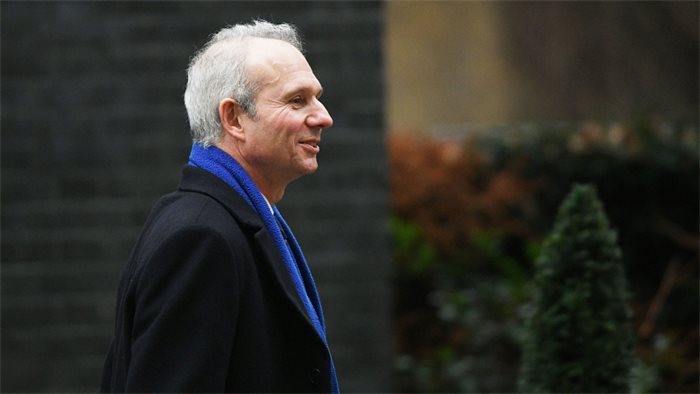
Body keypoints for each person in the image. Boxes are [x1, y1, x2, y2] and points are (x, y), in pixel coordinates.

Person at [99, 20, 339, 393]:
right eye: (296, 100)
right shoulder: (201, 238)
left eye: (316, 97)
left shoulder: (225, 219)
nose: (323, 116)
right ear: (233, 118)